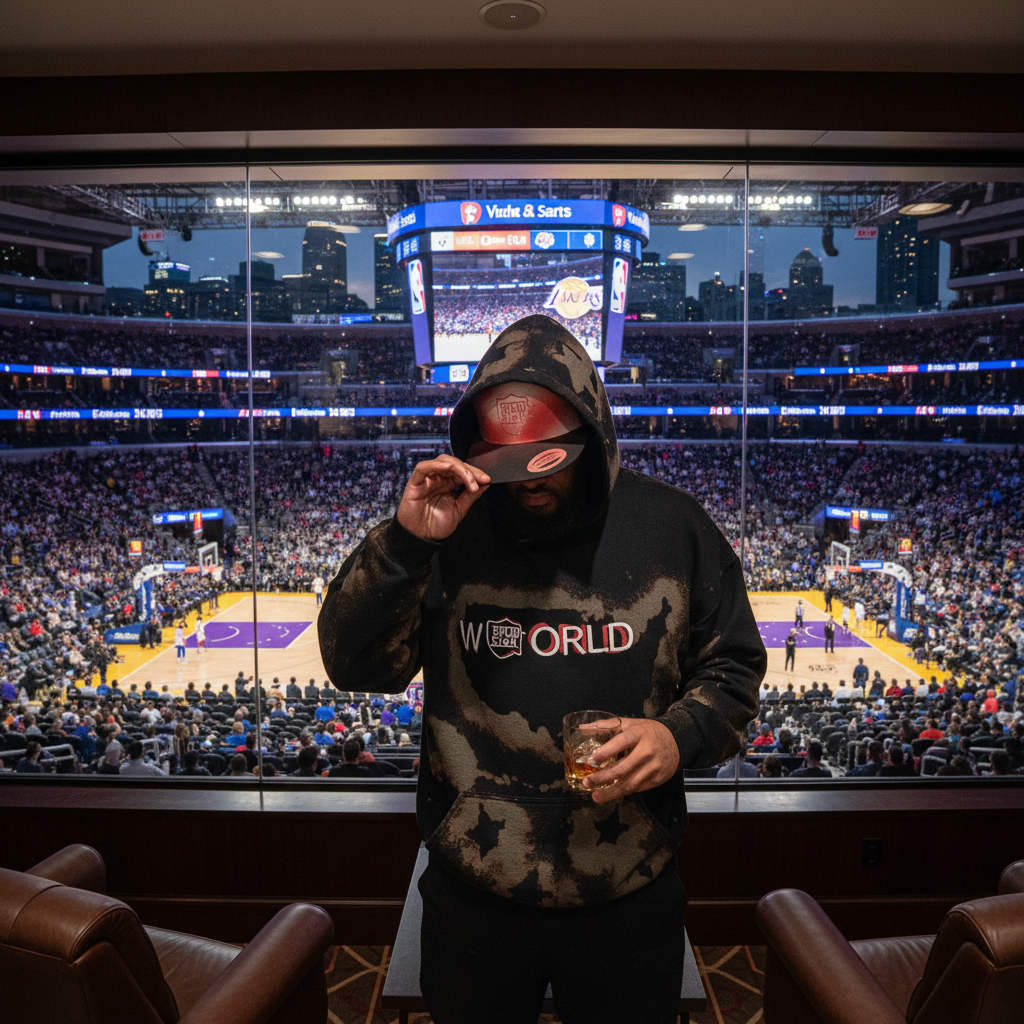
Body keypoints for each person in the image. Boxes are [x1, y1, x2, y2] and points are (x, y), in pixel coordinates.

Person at [318, 315, 767, 1024]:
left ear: (592, 433)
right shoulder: (445, 526)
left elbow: (735, 668)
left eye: (548, 457)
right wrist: (405, 546)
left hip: (628, 888)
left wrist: (678, 735)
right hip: (473, 889)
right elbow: (354, 665)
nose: (528, 480)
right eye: (507, 459)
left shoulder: (675, 528)